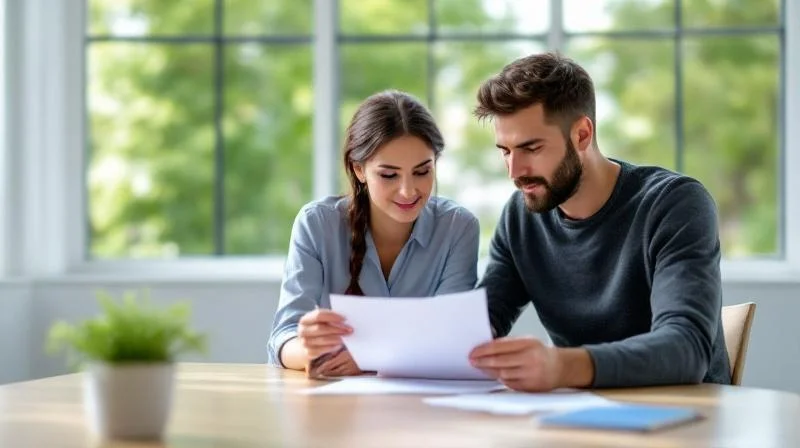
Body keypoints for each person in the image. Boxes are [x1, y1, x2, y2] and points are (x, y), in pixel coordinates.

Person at [467, 52, 731, 392]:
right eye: (505, 150)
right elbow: (481, 324)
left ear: (581, 134)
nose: (514, 171)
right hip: (583, 417)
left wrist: (560, 365)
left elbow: (686, 350)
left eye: (531, 148)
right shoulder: (521, 216)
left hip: (686, 418)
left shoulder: (675, 204)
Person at [268, 90, 480, 376]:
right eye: (389, 175)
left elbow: (451, 339)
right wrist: (312, 349)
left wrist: (372, 357)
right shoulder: (317, 224)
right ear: (359, 169)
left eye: (422, 171)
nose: (408, 190)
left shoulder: (458, 228)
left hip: (424, 408)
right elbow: (284, 337)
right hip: (338, 406)